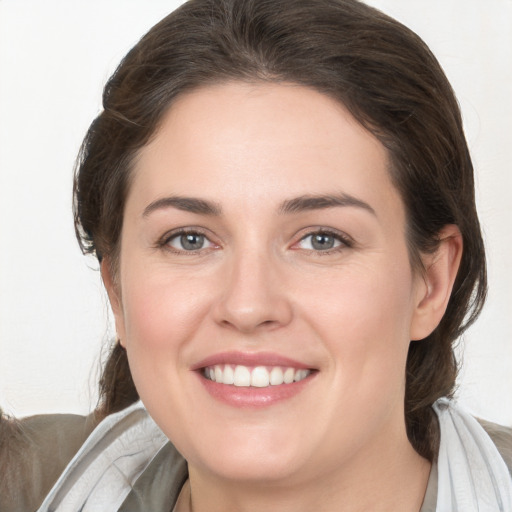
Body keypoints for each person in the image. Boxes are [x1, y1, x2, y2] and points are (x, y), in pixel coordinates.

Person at [1, 0, 511, 510]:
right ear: (116, 289)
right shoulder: (22, 484)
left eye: (321, 239)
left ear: (431, 282)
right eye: (189, 239)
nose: (248, 306)